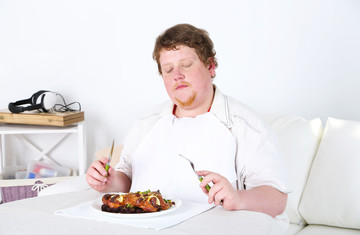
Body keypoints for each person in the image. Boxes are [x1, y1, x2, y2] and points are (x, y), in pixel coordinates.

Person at [86, 23, 289, 220]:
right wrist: (109, 182)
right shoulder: (146, 123)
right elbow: (127, 183)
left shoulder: (246, 125)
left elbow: (277, 200)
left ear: (210, 66)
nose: (177, 76)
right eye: (168, 69)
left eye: (186, 65)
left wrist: (238, 198)